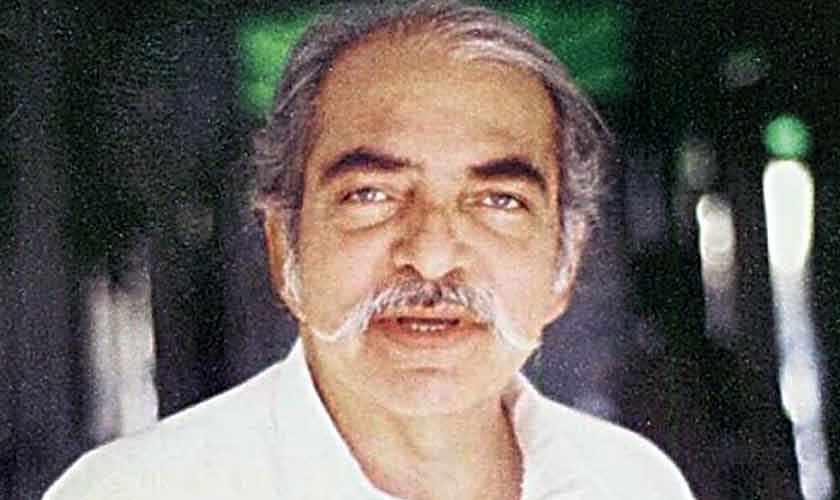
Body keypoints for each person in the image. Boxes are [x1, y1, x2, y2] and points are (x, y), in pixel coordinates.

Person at [45, 1, 696, 498]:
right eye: (371, 195)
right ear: (283, 247)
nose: (432, 257)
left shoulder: (632, 482)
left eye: (499, 201)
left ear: (566, 262)